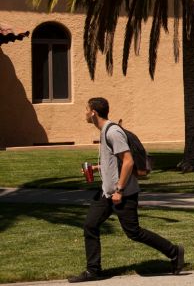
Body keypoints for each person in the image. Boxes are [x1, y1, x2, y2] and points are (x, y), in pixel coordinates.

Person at [68, 97, 184, 283]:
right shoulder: (105, 130)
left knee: (133, 232)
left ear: (93, 113)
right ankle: (93, 271)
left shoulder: (112, 132)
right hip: (107, 193)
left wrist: (119, 190)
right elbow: (117, 160)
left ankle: (174, 252)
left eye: (86, 109)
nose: (84, 112)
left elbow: (128, 160)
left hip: (121, 193)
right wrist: (97, 169)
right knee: (90, 225)